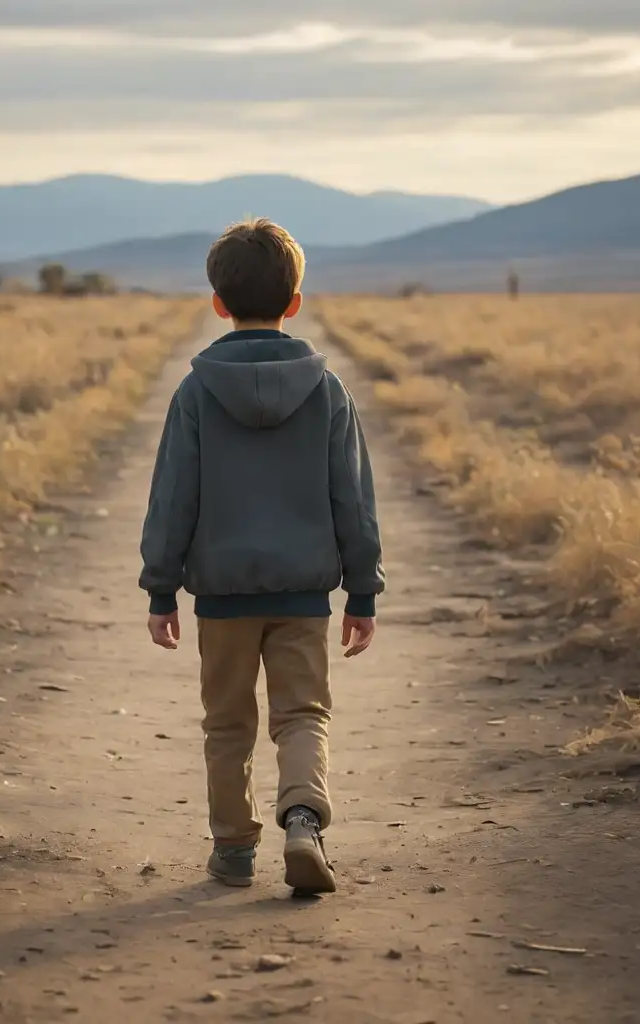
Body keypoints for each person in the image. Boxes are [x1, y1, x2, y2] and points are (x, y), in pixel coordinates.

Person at [138, 218, 384, 895]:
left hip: (220, 600)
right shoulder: (327, 391)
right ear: (295, 302)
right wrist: (362, 592)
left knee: (228, 723)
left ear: (218, 303)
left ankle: (233, 851)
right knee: (303, 714)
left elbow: (172, 499)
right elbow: (353, 501)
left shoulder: (194, 393)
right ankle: (303, 818)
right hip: (303, 597)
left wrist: (161, 590)